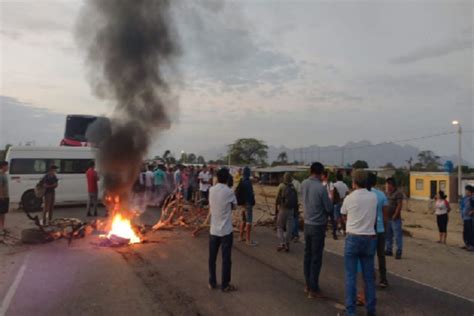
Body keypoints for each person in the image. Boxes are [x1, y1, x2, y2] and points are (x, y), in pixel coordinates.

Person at [341, 170, 377, 316]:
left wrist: (349, 224)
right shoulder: (373, 197)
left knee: (351, 276)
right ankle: (371, 309)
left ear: (354, 182)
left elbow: (343, 214)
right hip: (369, 238)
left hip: (353, 238)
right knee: (368, 277)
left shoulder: (349, 198)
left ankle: (351, 311)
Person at [301, 162, 332, 298]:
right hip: (318, 226)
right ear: (320, 173)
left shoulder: (304, 184)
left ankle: (307, 284)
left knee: (307, 255)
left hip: (307, 224)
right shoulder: (321, 188)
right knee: (316, 258)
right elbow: (329, 208)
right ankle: (313, 288)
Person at [208, 168, 237, 292]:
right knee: (226, 259)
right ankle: (225, 284)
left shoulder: (211, 190)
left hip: (213, 230)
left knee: (212, 258)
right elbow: (235, 206)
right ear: (227, 179)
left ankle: (212, 282)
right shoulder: (229, 192)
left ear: (217, 178)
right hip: (226, 230)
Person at [367, 173, 389, 288]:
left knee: (369, 255)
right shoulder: (381, 195)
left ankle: (371, 277)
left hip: (368, 230)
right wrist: (384, 228)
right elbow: (385, 215)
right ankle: (383, 279)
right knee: (381, 255)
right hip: (380, 229)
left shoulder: (364, 195)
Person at [275, 173, 298, 252]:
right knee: (289, 228)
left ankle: (282, 243)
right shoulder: (293, 188)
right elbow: (296, 201)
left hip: (283, 209)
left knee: (280, 227)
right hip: (291, 210)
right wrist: (296, 212)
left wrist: (276, 209)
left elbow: (277, 198)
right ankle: (287, 243)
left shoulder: (281, 186)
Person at [385, 177, 404, 259]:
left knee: (397, 235)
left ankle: (399, 251)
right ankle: (389, 250)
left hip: (395, 219)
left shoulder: (398, 193)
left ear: (390, 184)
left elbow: (399, 205)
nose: (386, 186)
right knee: (388, 235)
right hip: (388, 218)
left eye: (387, 184)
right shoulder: (387, 194)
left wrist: (395, 215)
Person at [238, 167, 257, 247]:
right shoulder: (248, 182)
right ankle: (248, 240)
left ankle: (240, 237)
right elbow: (250, 195)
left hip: (242, 203)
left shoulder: (241, 180)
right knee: (249, 222)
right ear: (248, 173)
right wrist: (252, 202)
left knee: (243, 220)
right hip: (248, 204)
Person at [322, 170, 338, 240]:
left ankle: (323, 233)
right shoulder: (330, 183)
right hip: (330, 204)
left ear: (323, 176)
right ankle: (334, 234)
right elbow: (332, 195)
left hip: (324, 204)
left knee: (324, 219)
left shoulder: (321, 184)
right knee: (332, 220)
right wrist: (330, 204)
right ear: (327, 176)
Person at [461, 185, 474, 251]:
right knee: (465, 232)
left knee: (470, 232)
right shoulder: (465, 198)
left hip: (470, 219)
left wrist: (472, 211)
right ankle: (467, 244)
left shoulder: (472, 198)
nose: (466, 192)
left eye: (467, 191)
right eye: (466, 190)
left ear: (471, 192)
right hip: (465, 218)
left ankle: (471, 245)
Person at [0, 161, 9, 236]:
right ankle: (1, 228)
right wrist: (1, 195)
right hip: (2, 197)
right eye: (6, 166)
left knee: (3, 213)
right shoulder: (0, 175)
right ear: (3, 166)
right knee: (1, 213)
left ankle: (3, 227)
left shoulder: (4, 174)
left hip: (6, 196)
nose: (8, 167)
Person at [291, 177, 302, 242]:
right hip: (296, 204)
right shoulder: (297, 183)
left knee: (291, 219)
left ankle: (293, 234)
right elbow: (300, 192)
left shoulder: (287, 183)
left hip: (289, 205)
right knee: (295, 219)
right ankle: (295, 235)